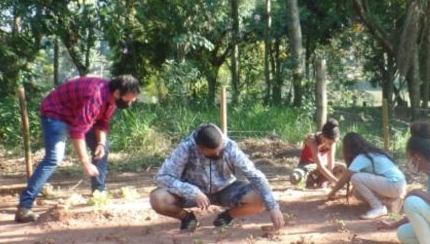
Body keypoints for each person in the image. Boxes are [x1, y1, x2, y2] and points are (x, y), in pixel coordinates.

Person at [15, 75, 140, 223]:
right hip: (55, 113)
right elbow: (77, 131)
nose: (130, 103)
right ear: (118, 93)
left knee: (104, 146)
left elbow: (102, 122)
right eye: (129, 99)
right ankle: (24, 207)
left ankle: (99, 194)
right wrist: (85, 162)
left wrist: (100, 143)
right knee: (53, 158)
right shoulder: (96, 97)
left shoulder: (112, 99)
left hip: (77, 114)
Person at [150, 123, 284, 232]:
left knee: (261, 199)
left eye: (220, 149)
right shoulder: (186, 147)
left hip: (226, 188)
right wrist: (191, 191)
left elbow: (255, 175)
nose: (219, 153)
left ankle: (226, 217)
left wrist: (273, 207)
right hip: (192, 194)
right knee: (157, 198)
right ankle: (187, 218)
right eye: (213, 153)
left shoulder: (229, 147)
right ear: (199, 147)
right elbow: (162, 176)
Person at [326, 132, 406, 220]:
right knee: (357, 193)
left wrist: (332, 193)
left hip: (393, 185)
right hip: (399, 185)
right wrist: (349, 193)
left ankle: (378, 207)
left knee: (355, 178)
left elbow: (346, 177)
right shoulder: (372, 153)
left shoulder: (362, 157)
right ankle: (389, 202)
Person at [290, 118, 341, 188]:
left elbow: (330, 161)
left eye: (333, 143)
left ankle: (321, 180)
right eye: (329, 143)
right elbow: (321, 167)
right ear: (323, 137)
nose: (331, 145)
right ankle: (309, 179)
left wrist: (331, 180)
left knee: (342, 169)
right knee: (294, 177)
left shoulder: (332, 141)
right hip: (307, 166)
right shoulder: (312, 140)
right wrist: (337, 182)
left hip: (323, 166)